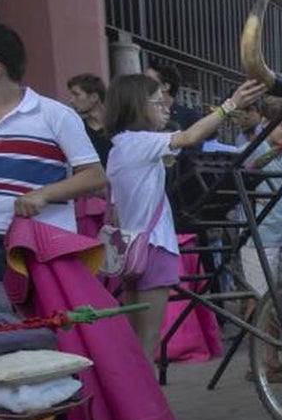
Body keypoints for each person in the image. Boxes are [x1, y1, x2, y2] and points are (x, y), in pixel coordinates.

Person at [105, 74, 265, 361]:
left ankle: (130, 401)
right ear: (137, 107)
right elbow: (191, 137)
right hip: (153, 248)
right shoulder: (143, 142)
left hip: (129, 251)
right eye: (158, 101)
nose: (166, 107)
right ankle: (145, 404)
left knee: (133, 342)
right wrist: (229, 106)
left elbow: (116, 211)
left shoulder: (119, 147)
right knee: (148, 344)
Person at [0, 23, 106, 279]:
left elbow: (94, 176)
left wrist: (42, 195)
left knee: (41, 319)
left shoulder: (55, 115)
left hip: (37, 246)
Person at [239, 107, 282, 383]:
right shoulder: (254, 149)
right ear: (267, 123)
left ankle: (273, 357)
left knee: (281, 297)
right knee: (262, 299)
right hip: (260, 237)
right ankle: (262, 361)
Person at [66, 73, 112, 165]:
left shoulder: (120, 125)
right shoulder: (78, 129)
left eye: (76, 95)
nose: (71, 100)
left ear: (94, 97)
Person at [143, 61, 201, 129]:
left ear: (165, 86)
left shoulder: (190, 118)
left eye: (148, 80)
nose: (141, 83)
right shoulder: (137, 116)